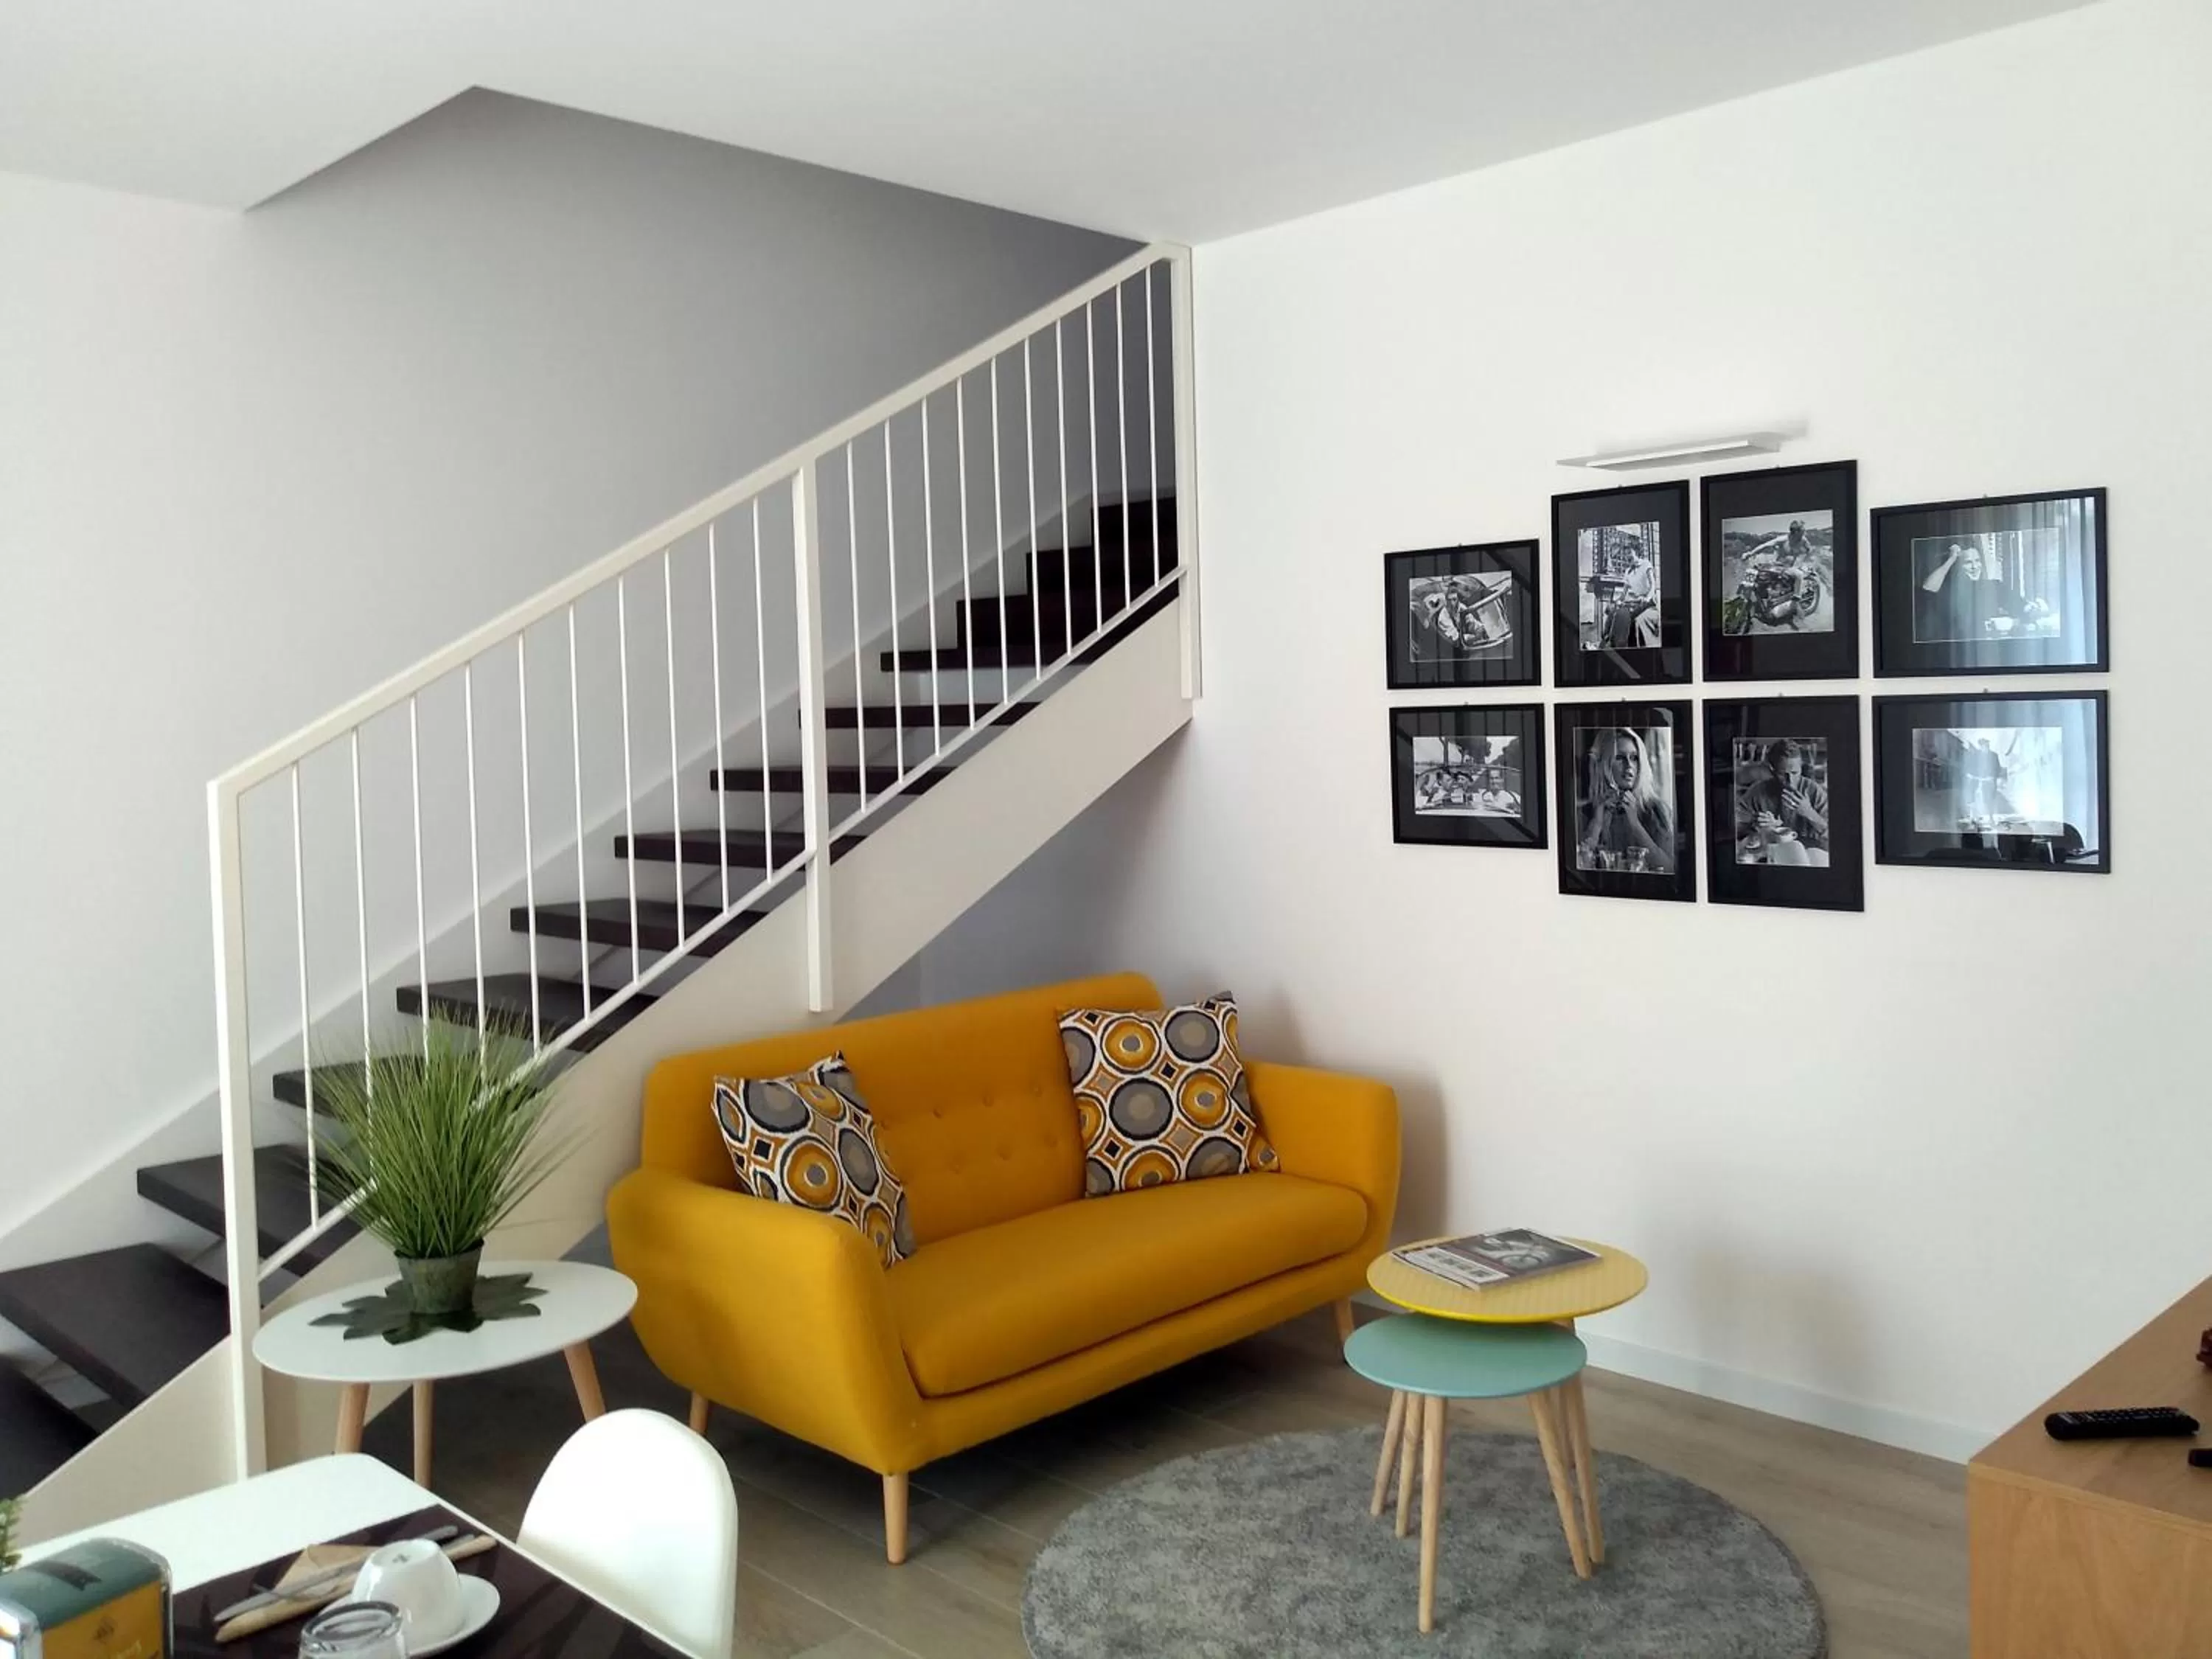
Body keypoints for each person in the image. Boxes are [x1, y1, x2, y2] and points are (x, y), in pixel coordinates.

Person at [1576, 728, 1674, 872]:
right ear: (1604, 764)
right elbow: (1577, 868)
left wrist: (1635, 826)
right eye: (1620, 758)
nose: (1629, 766)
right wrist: (1597, 823)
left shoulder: (1657, 810)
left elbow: (1668, 869)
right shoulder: (1584, 813)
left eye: (1634, 758)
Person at [1736, 739, 1830, 863]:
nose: (1790, 781)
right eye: (1782, 774)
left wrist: (1809, 812)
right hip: (1773, 857)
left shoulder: (1815, 791)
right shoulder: (1758, 791)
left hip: (1812, 857)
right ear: (1772, 769)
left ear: (1801, 767)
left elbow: (1834, 837)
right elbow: (1736, 826)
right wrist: (1755, 823)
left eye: (1795, 773)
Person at [1920, 539, 2016, 641]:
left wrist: (2011, 623)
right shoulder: (1947, 590)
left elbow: (2025, 610)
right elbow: (1928, 588)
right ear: (1958, 566)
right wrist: (1951, 559)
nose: (1975, 567)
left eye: (1978, 561)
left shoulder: (1994, 586)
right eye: (1968, 562)